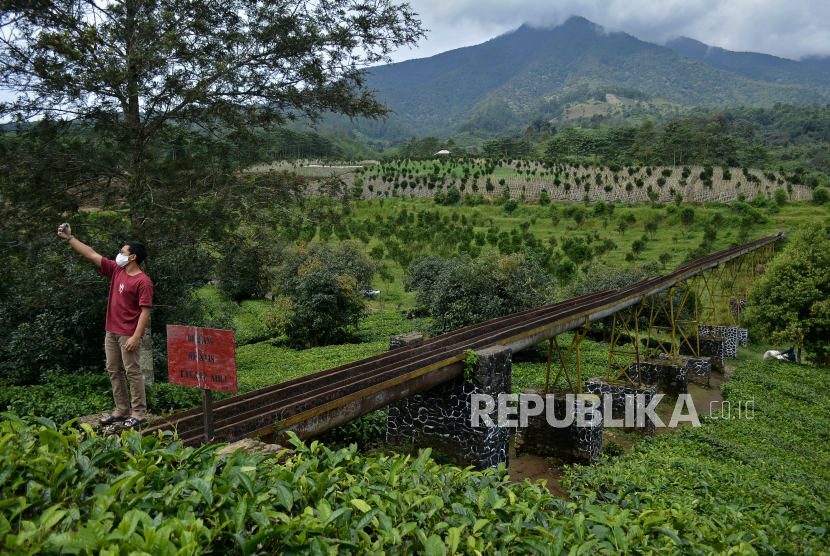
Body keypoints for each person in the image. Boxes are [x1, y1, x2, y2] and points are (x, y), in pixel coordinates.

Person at [57, 223, 154, 429]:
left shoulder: (143, 282)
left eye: (122, 251)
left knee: (132, 371)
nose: (119, 254)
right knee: (113, 370)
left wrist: (136, 336)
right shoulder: (117, 270)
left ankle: (138, 412)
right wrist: (69, 238)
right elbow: (91, 254)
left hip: (128, 333)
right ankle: (121, 410)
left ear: (133, 257)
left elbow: (145, 310)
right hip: (111, 331)